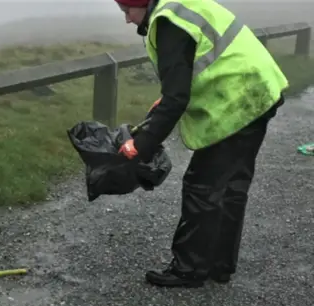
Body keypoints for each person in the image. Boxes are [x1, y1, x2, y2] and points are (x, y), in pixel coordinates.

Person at [114, 0, 288, 288]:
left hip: (236, 100)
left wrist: (140, 146)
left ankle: (189, 269)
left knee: (202, 186)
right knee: (232, 184)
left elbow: (176, 100)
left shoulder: (168, 21)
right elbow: (190, 72)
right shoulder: (181, 5)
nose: (127, 20)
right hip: (259, 90)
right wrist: (167, 101)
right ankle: (219, 266)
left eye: (126, 11)